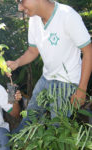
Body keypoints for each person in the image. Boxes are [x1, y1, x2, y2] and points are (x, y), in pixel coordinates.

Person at [6, 0, 92, 132]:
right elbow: (33, 51)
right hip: (46, 78)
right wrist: (17, 63)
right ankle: (18, 144)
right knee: (30, 118)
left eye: (22, 1)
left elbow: (88, 51)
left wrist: (81, 90)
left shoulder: (67, 15)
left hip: (66, 83)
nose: (20, 7)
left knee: (56, 130)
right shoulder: (34, 19)